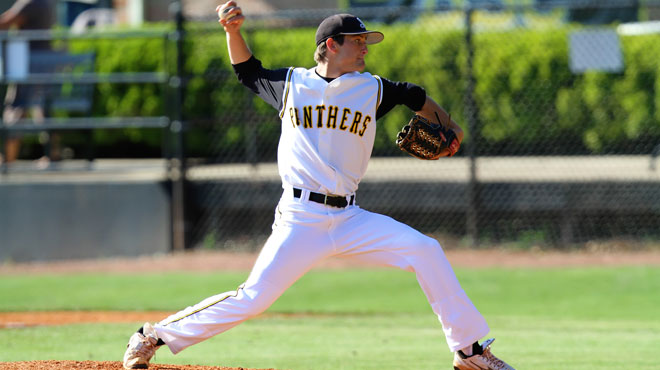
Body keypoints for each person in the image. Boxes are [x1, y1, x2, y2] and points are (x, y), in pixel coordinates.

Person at [122, 2, 516, 370]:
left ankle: (469, 351)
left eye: (366, 42)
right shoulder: (292, 84)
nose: (365, 49)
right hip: (300, 218)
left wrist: (450, 125)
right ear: (330, 45)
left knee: (425, 250)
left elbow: (415, 95)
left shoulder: (372, 88)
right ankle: (152, 335)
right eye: (357, 42)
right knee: (253, 298)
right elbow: (248, 70)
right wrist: (233, 30)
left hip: (349, 217)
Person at [0, 0, 56, 165]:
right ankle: (53, 153)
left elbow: (6, 22)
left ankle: (7, 157)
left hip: (26, 63)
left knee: (16, 107)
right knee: (42, 108)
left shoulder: (30, 3)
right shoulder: (46, 3)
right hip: (42, 64)